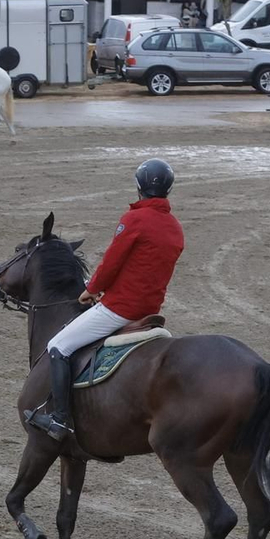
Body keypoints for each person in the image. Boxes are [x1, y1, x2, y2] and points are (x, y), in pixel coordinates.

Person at [27, 159, 185, 442]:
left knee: (58, 346)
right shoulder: (175, 227)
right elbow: (143, 268)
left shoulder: (134, 219)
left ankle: (60, 419)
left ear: (139, 188)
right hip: (149, 308)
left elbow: (113, 262)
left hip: (120, 308)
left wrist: (93, 288)